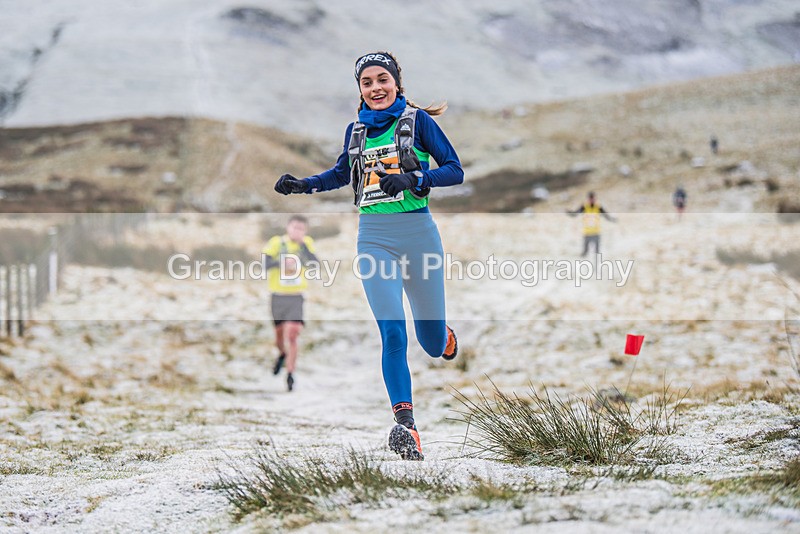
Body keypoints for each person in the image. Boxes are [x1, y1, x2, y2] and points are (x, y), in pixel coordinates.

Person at [273, 51, 462, 461]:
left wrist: (414, 178)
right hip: (374, 238)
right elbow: (343, 173)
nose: (375, 88)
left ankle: (444, 336)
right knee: (392, 332)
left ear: (396, 82)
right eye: (367, 82)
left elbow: (454, 170)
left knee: (429, 344)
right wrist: (303, 185)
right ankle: (405, 426)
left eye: (382, 80)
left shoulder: (418, 122)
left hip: (419, 236)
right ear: (359, 88)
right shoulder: (356, 130)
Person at [262, 215, 319, 392]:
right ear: (288, 228)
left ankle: (290, 374)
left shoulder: (306, 243)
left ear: (305, 231)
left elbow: (315, 263)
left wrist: (303, 248)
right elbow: (264, 264)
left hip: (296, 296)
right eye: (295, 228)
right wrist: (281, 262)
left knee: (293, 334)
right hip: (278, 296)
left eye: (301, 229)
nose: (298, 231)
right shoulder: (276, 243)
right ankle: (282, 354)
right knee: (279, 336)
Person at [567, 191, 617, 256]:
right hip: (587, 231)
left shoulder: (598, 207)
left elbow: (606, 215)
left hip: (596, 231)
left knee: (597, 252)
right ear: (588, 199)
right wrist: (569, 213)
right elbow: (575, 214)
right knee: (585, 252)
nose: (591, 200)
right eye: (590, 199)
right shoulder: (584, 206)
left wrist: (612, 219)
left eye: (593, 198)